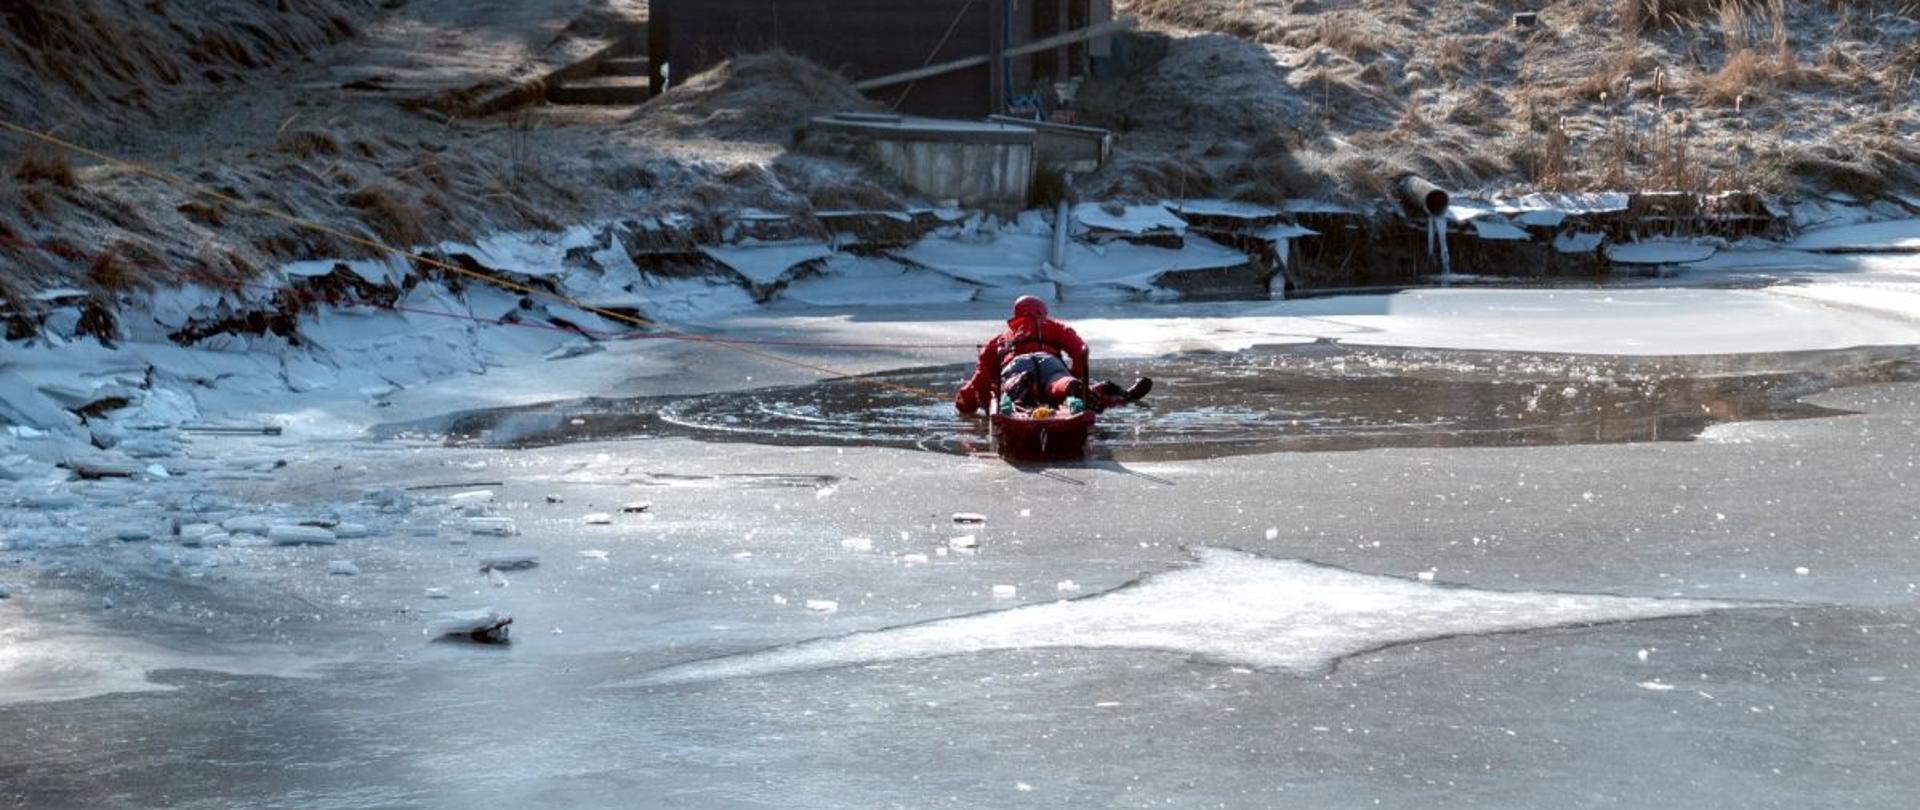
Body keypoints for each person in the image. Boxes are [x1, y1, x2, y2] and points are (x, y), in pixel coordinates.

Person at [954, 296, 1152, 416]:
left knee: (1014, 383)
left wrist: (964, 403)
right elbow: (1078, 350)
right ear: (1042, 312)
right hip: (1050, 363)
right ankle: (1071, 387)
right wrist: (1074, 377)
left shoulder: (999, 340)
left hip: (1016, 365)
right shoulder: (1053, 327)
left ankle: (1021, 385)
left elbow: (979, 381)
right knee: (1057, 381)